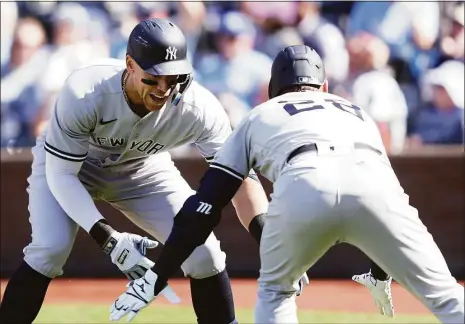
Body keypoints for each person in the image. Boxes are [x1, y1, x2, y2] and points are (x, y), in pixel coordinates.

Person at [109, 45, 464, 324]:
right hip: (375, 186)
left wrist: (156, 276)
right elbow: (378, 196)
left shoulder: (260, 114)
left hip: (303, 182)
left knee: (277, 293)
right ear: (324, 87)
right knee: (447, 296)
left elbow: (204, 208)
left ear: (271, 91)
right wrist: (380, 270)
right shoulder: (357, 112)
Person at [0, 18, 275, 324]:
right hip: (73, 168)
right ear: (130, 64)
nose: (164, 89)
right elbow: (62, 173)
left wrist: (270, 239)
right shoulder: (86, 90)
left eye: (174, 78)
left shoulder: (200, 107)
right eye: (153, 78)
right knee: (49, 250)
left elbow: (237, 177)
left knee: (205, 255)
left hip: (143, 168)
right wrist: (109, 239)